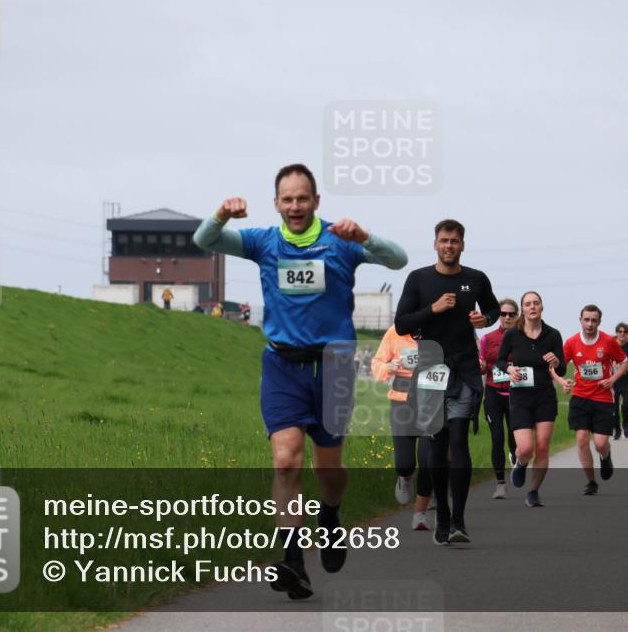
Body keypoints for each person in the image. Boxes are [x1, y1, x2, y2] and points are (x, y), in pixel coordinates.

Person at [194, 163, 407, 599]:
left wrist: (365, 237)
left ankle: (330, 517)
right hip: (282, 367)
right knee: (286, 458)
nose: (295, 206)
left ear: (316, 202)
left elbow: (398, 259)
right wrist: (220, 213)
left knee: (328, 469)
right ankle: (293, 562)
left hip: (333, 368)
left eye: (302, 198)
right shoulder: (263, 242)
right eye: (287, 199)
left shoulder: (340, 242)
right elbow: (205, 240)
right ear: (276, 204)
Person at [395, 219, 500, 545]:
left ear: (462, 245)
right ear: (435, 244)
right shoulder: (419, 279)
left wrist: (486, 319)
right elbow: (401, 324)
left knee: (458, 437)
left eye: (455, 241)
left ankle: (458, 520)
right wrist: (433, 308)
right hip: (431, 368)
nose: (449, 246)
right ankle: (441, 517)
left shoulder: (475, 280)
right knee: (437, 443)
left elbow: (494, 310)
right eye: (444, 241)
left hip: (465, 368)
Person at [495, 290, 565, 507]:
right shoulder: (512, 335)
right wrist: (509, 368)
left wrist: (555, 362)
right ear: (522, 309)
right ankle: (521, 464)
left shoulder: (553, 335)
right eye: (528, 304)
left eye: (536, 303)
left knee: (542, 447)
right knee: (525, 448)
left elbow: (561, 369)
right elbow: (499, 361)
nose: (532, 307)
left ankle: (533, 492)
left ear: (542, 307)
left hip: (545, 396)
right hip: (521, 398)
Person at [559, 305, 628, 496]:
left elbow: (624, 362)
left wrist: (612, 380)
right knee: (581, 439)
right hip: (580, 397)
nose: (590, 324)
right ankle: (591, 481)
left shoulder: (607, 341)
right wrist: (562, 380)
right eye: (586, 319)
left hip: (603, 398)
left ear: (599, 321)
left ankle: (605, 456)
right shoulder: (572, 342)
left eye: (594, 320)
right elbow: (558, 367)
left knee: (599, 443)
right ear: (580, 320)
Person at [371, 326, 432, 530]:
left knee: (427, 459)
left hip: (431, 400)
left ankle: (420, 514)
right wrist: (390, 367)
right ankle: (405, 477)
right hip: (402, 400)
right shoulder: (394, 332)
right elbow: (377, 364)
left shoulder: (436, 329)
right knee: (404, 462)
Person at [478, 298, 519, 499]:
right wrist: (481, 365)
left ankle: (515, 456)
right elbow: (482, 364)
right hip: (493, 392)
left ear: (517, 316)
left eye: (511, 314)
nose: (507, 318)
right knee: (497, 437)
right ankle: (500, 483)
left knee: (514, 438)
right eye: (503, 314)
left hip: (516, 393)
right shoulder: (487, 338)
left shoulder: (523, 337)